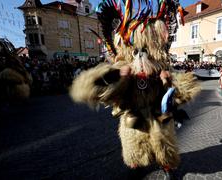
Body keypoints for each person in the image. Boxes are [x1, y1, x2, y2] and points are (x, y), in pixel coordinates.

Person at [69, 0, 201, 179]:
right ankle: (135, 166)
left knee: (164, 145)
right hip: (133, 114)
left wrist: (167, 81)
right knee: (135, 147)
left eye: (146, 49)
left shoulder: (161, 68)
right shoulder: (124, 68)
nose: (142, 54)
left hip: (158, 114)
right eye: (137, 49)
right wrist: (119, 77)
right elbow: (90, 87)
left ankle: (167, 167)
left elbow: (182, 92)